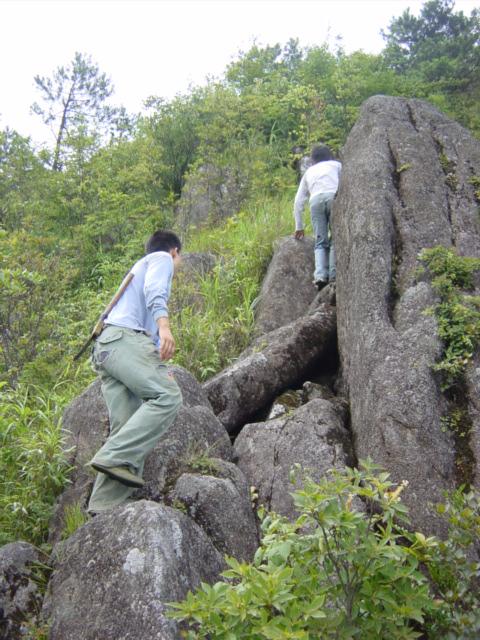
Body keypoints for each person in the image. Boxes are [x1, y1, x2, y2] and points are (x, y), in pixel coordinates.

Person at [86, 230, 183, 515]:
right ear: (175, 251)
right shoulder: (161, 259)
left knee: (125, 423)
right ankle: (112, 456)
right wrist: (165, 327)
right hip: (123, 340)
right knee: (168, 396)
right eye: (180, 259)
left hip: (106, 349)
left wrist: (155, 348)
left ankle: (103, 506)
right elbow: (156, 291)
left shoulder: (138, 269)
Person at [293, 144, 342, 289]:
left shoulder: (309, 172)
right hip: (333, 197)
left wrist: (299, 226)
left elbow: (298, 201)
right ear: (329, 156)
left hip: (315, 201)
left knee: (320, 241)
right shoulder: (337, 165)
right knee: (335, 238)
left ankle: (320, 275)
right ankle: (333, 275)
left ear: (313, 160)